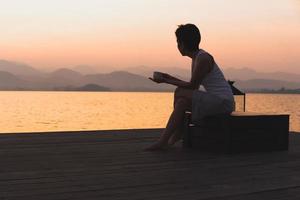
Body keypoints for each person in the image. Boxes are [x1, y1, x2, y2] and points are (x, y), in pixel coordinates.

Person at [145, 24, 235, 151]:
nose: (177, 46)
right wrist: (169, 77)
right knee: (182, 102)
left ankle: (172, 136)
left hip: (222, 102)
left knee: (180, 92)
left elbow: (192, 86)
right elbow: (193, 86)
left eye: (178, 42)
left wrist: (167, 80)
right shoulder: (197, 57)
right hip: (218, 101)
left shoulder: (203, 58)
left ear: (182, 44)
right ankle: (169, 138)